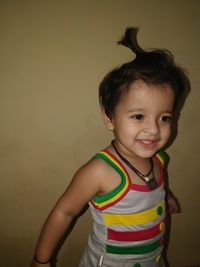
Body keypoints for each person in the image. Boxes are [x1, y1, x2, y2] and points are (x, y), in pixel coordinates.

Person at [30, 28, 190, 267]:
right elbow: (64, 212)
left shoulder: (159, 160)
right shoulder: (100, 171)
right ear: (109, 118)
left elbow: (154, 187)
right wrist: (41, 261)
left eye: (164, 117)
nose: (154, 129)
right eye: (138, 116)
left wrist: (166, 197)